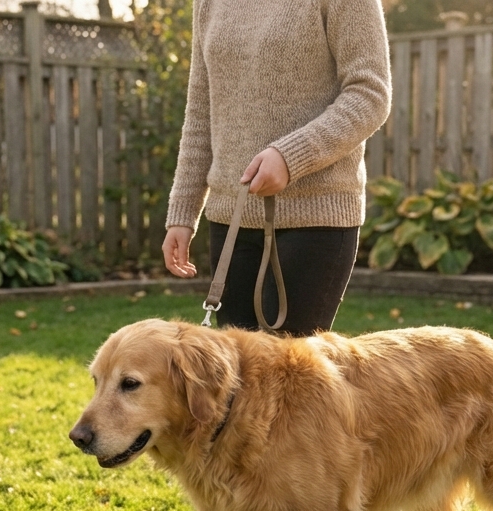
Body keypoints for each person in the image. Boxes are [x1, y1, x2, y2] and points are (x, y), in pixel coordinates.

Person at [161, 0, 392, 337]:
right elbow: (201, 109)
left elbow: (370, 93)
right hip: (231, 219)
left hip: (316, 216)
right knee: (238, 379)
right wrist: (183, 212)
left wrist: (291, 156)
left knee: (291, 379)